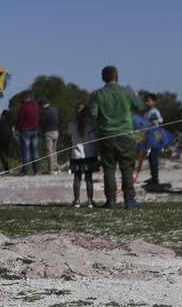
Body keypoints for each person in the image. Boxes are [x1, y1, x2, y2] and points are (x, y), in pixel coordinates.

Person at [89, 65, 141, 209]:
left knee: (109, 169)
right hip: (125, 135)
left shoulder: (97, 94)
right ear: (117, 77)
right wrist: (135, 96)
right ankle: (129, 200)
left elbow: (92, 114)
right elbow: (140, 107)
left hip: (105, 136)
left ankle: (110, 200)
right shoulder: (127, 92)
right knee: (127, 168)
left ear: (102, 78)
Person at [67, 104, 99, 207]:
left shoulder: (71, 126)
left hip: (76, 155)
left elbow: (70, 137)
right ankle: (90, 201)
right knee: (88, 178)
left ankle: (77, 201)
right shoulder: (90, 126)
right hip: (88, 155)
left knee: (77, 178)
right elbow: (93, 140)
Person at [15, 91, 41, 175]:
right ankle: (36, 170)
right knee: (35, 151)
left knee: (26, 151)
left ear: (24, 98)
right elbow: (38, 118)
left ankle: (25, 170)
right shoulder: (36, 106)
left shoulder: (23, 107)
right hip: (35, 129)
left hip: (25, 130)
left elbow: (20, 119)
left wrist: (17, 129)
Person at [143, 93, 163, 186]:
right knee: (150, 159)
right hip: (148, 138)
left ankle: (156, 179)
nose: (146, 103)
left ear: (154, 102)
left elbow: (160, 120)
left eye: (148, 101)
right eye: (145, 101)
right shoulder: (146, 113)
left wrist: (157, 121)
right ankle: (153, 176)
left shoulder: (155, 111)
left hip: (155, 138)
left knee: (154, 158)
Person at [39, 98, 61, 173]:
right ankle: (55, 165)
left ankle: (51, 168)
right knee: (55, 150)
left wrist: (41, 128)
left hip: (48, 132)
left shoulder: (45, 112)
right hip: (56, 131)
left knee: (49, 151)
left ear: (42, 104)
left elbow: (42, 122)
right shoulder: (55, 109)